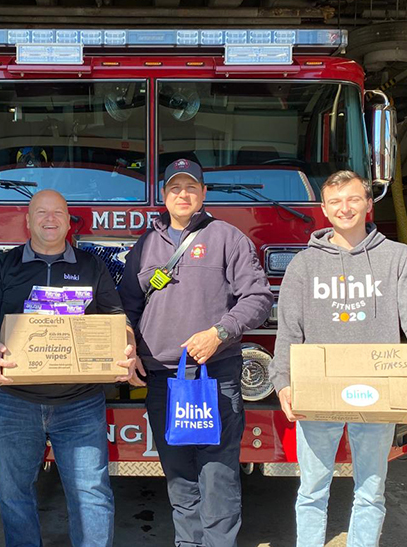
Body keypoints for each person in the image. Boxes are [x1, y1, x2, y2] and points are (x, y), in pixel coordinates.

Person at [270, 170, 407, 547]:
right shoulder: (303, 266)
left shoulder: (397, 258)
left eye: (353, 199)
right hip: (318, 394)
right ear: (323, 209)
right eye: (335, 202)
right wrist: (282, 381)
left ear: (368, 203)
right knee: (312, 491)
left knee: (370, 490)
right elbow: (288, 330)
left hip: (377, 392)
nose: (344, 208)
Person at [0, 189, 139, 547]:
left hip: (79, 403)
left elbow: (115, 319)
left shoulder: (92, 266)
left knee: (91, 494)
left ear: (68, 221)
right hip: (12, 402)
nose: (49, 219)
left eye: (57, 212)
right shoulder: (3, 266)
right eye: (41, 212)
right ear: (27, 221)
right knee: (14, 495)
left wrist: (128, 346)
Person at [119, 158, 274, 547]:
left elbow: (259, 299)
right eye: (175, 188)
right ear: (163, 196)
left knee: (218, 474)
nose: (183, 194)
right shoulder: (146, 245)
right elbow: (126, 306)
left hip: (216, 378)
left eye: (191, 188)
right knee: (179, 476)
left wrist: (220, 332)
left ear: (204, 194)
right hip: (162, 381)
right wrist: (130, 347)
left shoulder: (227, 238)